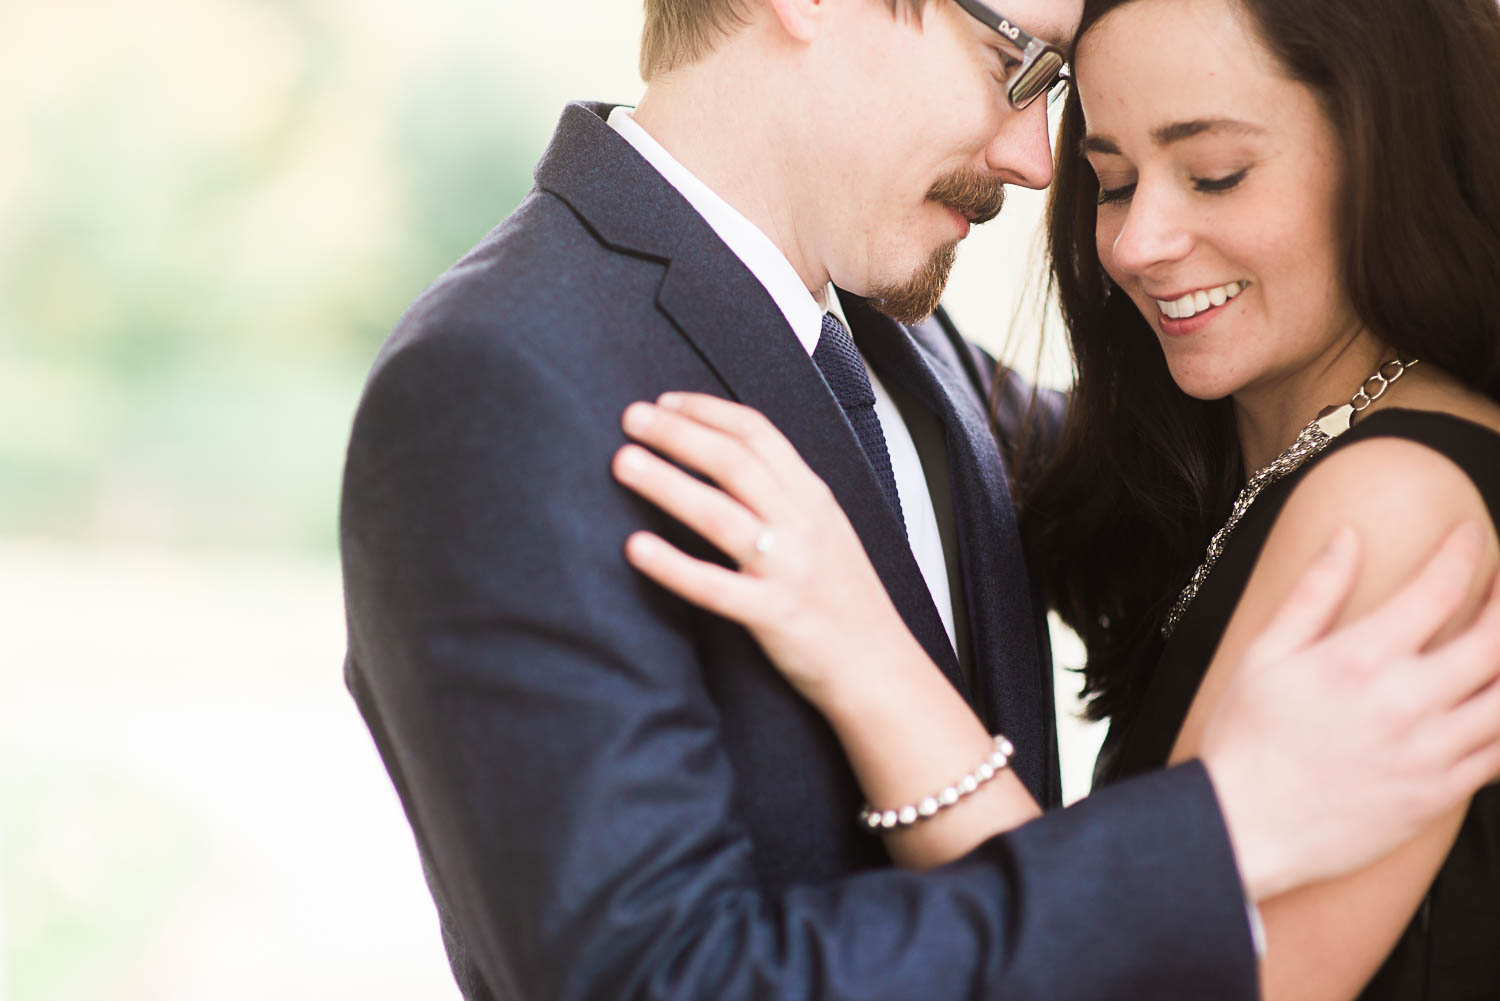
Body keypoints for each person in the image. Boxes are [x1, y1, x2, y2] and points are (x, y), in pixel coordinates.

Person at [340, 1, 1500, 999]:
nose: (1039, 160)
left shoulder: (908, 345)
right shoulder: (503, 377)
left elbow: (1193, 533)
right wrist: (1223, 828)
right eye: (1017, 63)